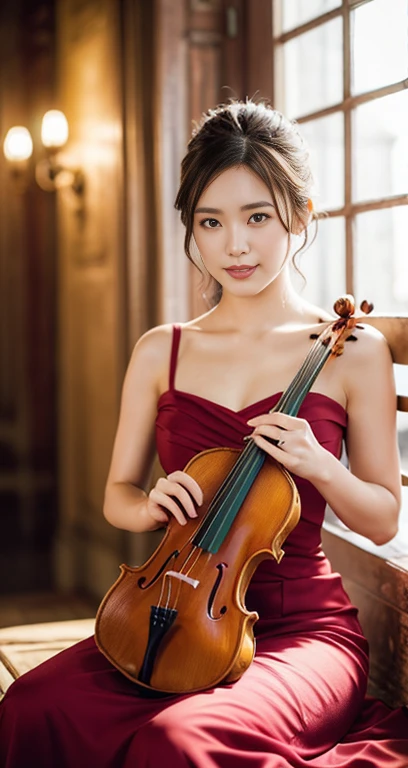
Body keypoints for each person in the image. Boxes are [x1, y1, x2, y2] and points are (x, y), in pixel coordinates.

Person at [0, 98, 407, 767]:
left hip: (302, 632)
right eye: (211, 222)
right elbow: (118, 495)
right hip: (172, 612)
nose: (235, 245)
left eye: (257, 218)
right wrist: (152, 503)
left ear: (300, 218)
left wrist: (321, 466)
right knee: (29, 708)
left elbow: (386, 520)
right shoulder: (162, 349)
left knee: (179, 741)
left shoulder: (351, 350)